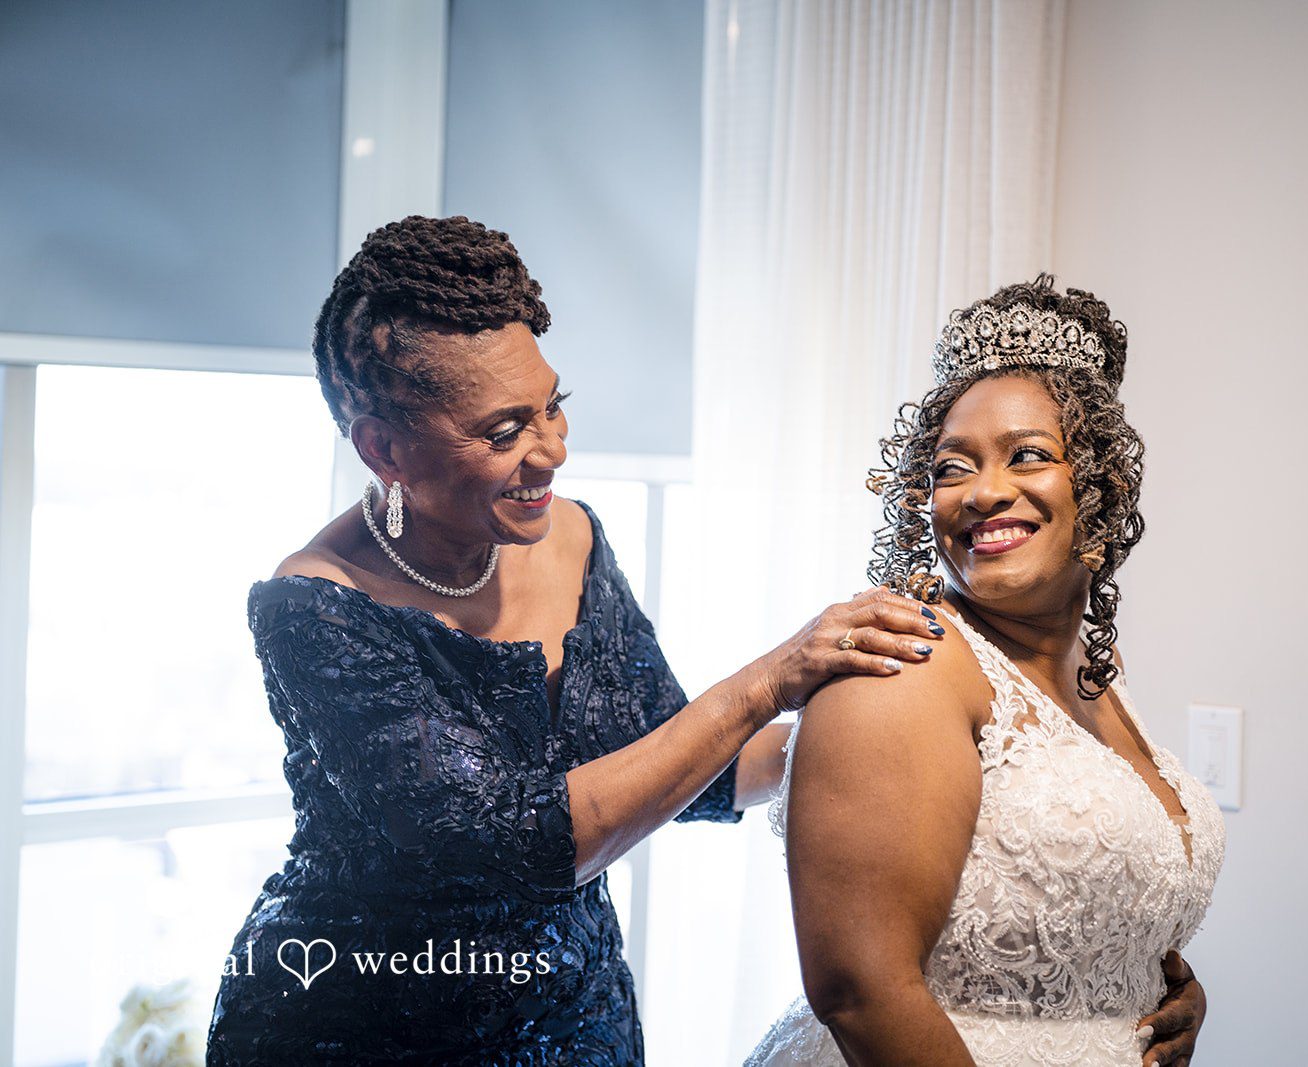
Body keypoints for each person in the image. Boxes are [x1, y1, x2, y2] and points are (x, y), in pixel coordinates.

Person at [205, 215, 944, 1065]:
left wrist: (879, 721)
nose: (552, 449)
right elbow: (521, 847)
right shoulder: (315, 607)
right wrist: (769, 679)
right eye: (504, 431)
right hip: (366, 1027)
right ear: (384, 448)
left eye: (553, 406)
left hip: (577, 1017)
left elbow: (680, 762)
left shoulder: (575, 537)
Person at [746, 278, 1225, 1067]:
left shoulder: (1097, 675)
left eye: (1027, 455)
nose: (984, 492)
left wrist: (1155, 989)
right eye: (952, 467)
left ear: (1102, 484)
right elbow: (860, 990)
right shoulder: (901, 668)